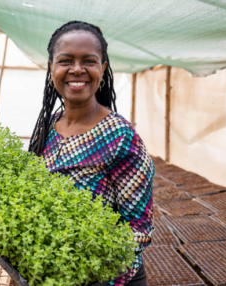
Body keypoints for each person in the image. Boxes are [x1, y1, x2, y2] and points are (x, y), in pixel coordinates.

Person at [28, 21, 155, 286]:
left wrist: (88, 274)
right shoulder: (46, 126)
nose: (77, 69)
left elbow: (138, 231)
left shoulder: (120, 137)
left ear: (102, 69)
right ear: (51, 67)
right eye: (65, 61)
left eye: (88, 61)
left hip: (109, 279)